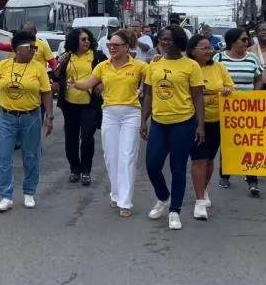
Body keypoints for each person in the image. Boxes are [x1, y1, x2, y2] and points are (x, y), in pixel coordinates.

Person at [69, 29, 147, 218]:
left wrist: (157, 63)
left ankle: (125, 202)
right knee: (111, 157)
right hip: (110, 114)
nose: (112, 48)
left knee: (127, 156)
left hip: (131, 114)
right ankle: (115, 193)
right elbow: (88, 84)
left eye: (116, 45)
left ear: (127, 47)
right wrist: (75, 84)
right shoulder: (103, 66)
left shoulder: (139, 66)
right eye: (110, 45)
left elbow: (154, 76)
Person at [140, 26, 205, 231]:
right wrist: (143, 120)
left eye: (168, 39)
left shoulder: (191, 65)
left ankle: (174, 210)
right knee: (152, 166)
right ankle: (163, 197)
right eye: (162, 39)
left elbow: (198, 97)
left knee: (178, 168)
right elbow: (149, 94)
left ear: (178, 41)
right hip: (159, 122)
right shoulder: (154, 63)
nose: (164, 42)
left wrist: (200, 126)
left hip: (183, 123)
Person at [0, 30, 55, 212]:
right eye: (30, 47)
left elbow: (46, 93)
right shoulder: (2, 66)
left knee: (31, 156)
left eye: (35, 47)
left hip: (31, 118)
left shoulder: (38, 68)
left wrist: (49, 116)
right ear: (17, 49)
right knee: (4, 158)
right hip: (6, 117)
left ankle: (29, 192)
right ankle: (6, 196)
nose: (34, 50)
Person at [187, 34, 234, 220]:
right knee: (199, 158)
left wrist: (227, 90)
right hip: (194, 120)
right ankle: (199, 200)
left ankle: (203, 189)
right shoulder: (189, 67)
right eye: (204, 48)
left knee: (209, 159)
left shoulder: (219, 67)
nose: (209, 51)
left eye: (210, 48)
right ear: (193, 51)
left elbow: (230, 86)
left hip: (217, 120)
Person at [214, 27, 263, 195]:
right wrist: (223, 89)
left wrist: (255, 95)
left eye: (247, 39)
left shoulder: (252, 58)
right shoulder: (219, 58)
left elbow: (259, 79)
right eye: (243, 39)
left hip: (248, 109)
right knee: (228, 143)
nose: (246, 42)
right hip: (226, 109)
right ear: (232, 42)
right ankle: (225, 174)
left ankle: (252, 179)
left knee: (249, 143)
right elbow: (213, 79)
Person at [54, 27, 105, 185]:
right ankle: (74, 169)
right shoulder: (67, 56)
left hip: (89, 103)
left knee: (87, 136)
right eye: (83, 39)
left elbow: (109, 72)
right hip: (69, 103)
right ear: (75, 40)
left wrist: (101, 84)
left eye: (88, 39)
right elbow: (55, 75)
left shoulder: (97, 56)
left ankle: (86, 171)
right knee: (71, 137)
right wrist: (60, 63)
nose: (87, 41)